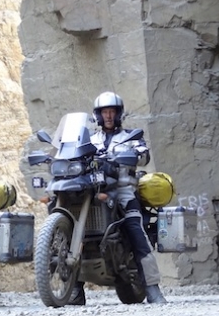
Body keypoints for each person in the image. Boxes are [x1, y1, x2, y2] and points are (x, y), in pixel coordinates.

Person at [67, 91, 167, 305]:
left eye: (112, 111)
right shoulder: (90, 139)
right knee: (72, 235)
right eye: (105, 112)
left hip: (123, 191)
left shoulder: (131, 137)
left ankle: (152, 289)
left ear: (119, 113)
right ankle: (74, 290)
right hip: (94, 191)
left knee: (136, 232)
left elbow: (144, 155)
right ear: (98, 115)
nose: (109, 116)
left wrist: (135, 155)